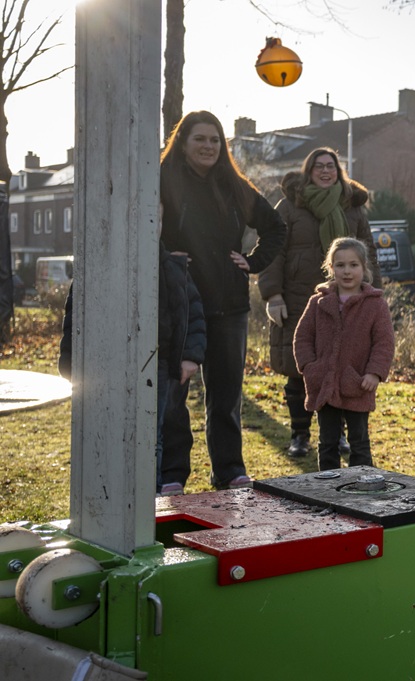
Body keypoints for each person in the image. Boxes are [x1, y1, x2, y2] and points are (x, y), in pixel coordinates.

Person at [159, 110, 286, 492]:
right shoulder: (162, 180)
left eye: (215, 140)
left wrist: (251, 263)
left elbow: (275, 227)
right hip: (178, 305)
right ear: (182, 142)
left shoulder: (234, 185)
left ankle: (229, 471)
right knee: (174, 395)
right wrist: (165, 261)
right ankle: (171, 474)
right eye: (200, 139)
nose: (208, 146)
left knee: (226, 395)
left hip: (229, 306)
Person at [58, 243, 206, 495]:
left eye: (158, 220)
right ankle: (111, 492)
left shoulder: (172, 266)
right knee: (110, 430)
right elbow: (75, 317)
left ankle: (151, 493)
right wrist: (71, 361)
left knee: (153, 434)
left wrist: (190, 357)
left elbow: (192, 311)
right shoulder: (98, 265)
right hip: (109, 364)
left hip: (158, 362)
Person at [258, 148, 377, 459]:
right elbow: (274, 253)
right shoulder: (290, 207)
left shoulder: (352, 208)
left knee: (341, 367)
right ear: (308, 171)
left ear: (338, 171)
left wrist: (370, 296)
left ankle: (336, 435)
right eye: (319, 167)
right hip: (299, 299)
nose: (326, 171)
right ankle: (300, 434)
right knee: (301, 371)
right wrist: (273, 295)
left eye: (331, 167)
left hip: (346, 303)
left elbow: (368, 254)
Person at [293, 237, 394, 470]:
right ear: (331, 268)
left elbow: (384, 343)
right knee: (327, 442)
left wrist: (374, 373)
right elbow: (302, 337)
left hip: (358, 383)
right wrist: (310, 367)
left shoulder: (375, 305)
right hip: (325, 383)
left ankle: (362, 487)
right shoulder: (318, 302)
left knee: (359, 442)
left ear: (364, 268)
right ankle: (328, 490)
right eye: (340, 265)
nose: (347, 271)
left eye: (353, 265)